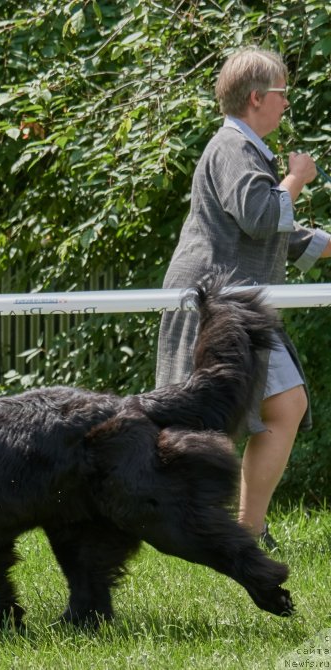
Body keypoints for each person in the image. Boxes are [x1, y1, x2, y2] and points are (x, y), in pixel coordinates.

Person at [156, 47, 331, 550]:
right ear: (256, 97)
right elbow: (261, 214)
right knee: (266, 408)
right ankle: (241, 530)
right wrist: (297, 177)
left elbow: (274, 232)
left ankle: (226, 528)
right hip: (219, 303)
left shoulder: (245, 149)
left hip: (228, 302)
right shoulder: (234, 147)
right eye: (282, 95)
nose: (286, 105)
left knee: (218, 417)